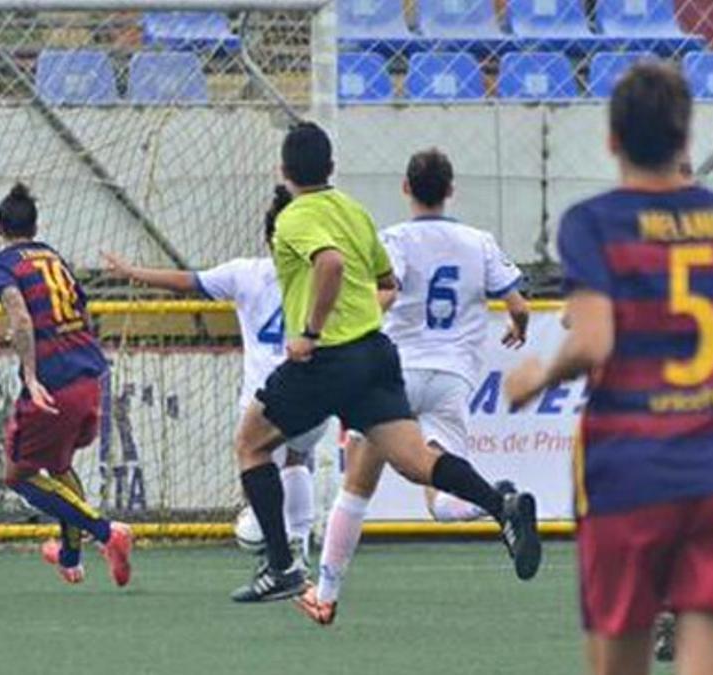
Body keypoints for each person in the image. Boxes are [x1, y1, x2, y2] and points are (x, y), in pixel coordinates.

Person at [506, 63, 713, 675]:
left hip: (629, 471)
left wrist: (536, 375)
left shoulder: (593, 223)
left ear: (612, 140)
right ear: (687, 140)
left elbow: (593, 340)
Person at [230, 122, 541, 606]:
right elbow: (382, 277)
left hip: (328, 355)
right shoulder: (354, 212)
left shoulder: (294, 217)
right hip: (375, 354)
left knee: (250, 444)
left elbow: (331, 265)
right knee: (417, 462)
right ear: (332, 168)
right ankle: (499, 504)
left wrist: (310, 331)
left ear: (283, 170)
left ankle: (282, 567)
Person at [102, 185, 327, 565]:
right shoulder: (321, 279)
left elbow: (185, 281)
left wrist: (131, 272)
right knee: (299, 457)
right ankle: (301, 544)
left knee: (258, 466)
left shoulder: (245, 274)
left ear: (268, 238)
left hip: (264, 399)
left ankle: (274, 552)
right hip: (314, 393)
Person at [0, 183, 133, 587]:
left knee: (17, 474)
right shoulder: (55, 258)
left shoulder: (3, 264)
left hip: (53, 380)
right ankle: (70, 558)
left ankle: (107, 533)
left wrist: (31, 376)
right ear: (35, 226)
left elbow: (20, 318)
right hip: (88, 373)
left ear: (0, 228)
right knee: (59, 465)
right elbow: (76, 313)